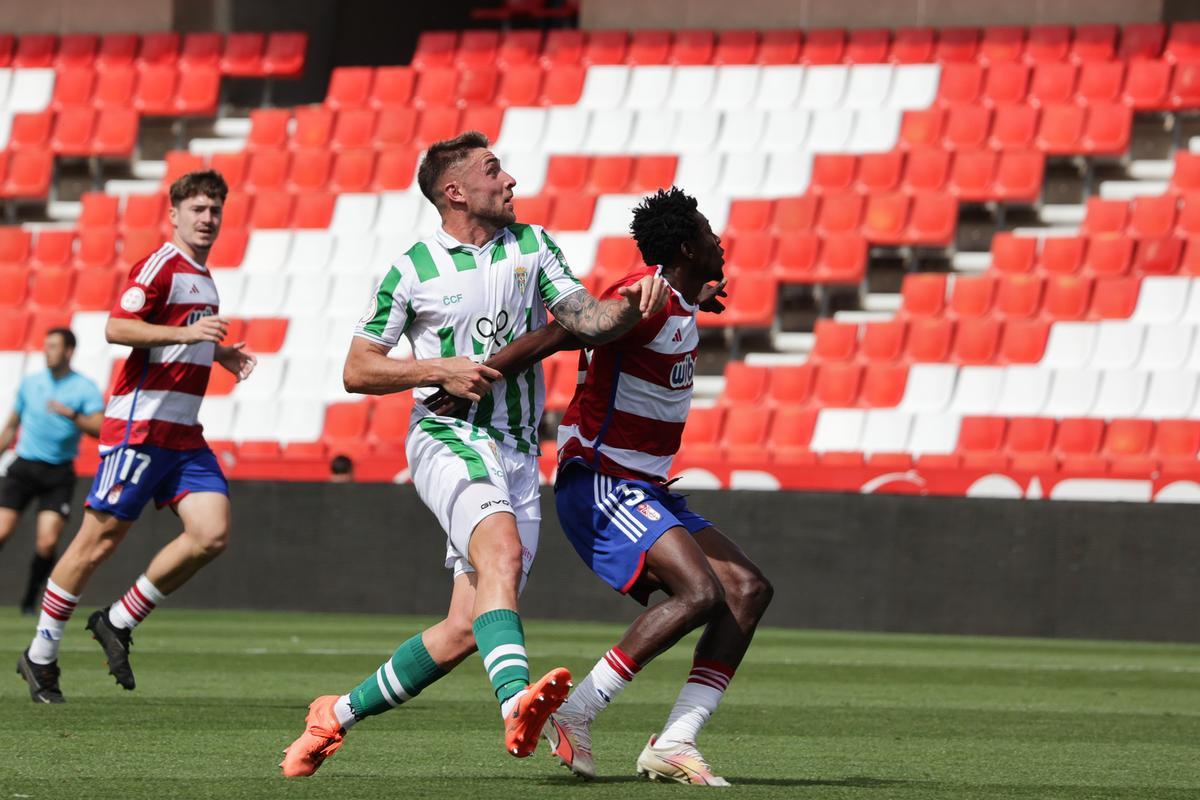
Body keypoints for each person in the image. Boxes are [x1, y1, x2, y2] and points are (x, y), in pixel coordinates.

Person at [280, 131, 670, 777]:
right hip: (446, 435)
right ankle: (515, 702)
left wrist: (641, 298)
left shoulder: (534, 245)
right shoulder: (413, 268)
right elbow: (358, 370)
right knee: (503, 553)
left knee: (467, 626)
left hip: (518, 450)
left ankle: (334, 715)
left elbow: (587, 321)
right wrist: (440, 369)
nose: (511, 180)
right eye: (495, 170)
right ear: (455, 191)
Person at [16, 170, 257, 704]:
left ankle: (120, 619)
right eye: (197, 209)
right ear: (173, 214)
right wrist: (190, 333)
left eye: (215, 210)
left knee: (211, 533)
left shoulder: (204, 275)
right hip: (140, 430)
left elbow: (184, 336)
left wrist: (219, 353)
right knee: (96, 542)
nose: (207, 219)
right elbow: (117, 328)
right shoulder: (159, 265)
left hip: (183, 435)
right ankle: (40, 653)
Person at [0, 328, 104, 614]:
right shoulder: (31, 383)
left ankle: (30, 600)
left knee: (47, 543)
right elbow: (11, 426)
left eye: (54, 346)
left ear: (69, 351)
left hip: (57, 473)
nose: (48, 351)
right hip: (24, 466)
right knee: (1, 530)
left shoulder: (84, 388)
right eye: (46, 346)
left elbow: (101, 428)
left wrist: (72, 414)